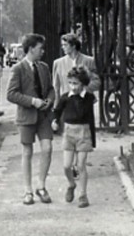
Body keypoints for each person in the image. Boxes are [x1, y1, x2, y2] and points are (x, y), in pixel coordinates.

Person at [6, 33, 55, 205]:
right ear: (31, 48)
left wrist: (49, 100)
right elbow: (11, 94)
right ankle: (27, 191)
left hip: (43, 116)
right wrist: (32, 101)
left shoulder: (44, 67)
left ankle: (41, 186)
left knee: (47, 148)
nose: (43, 51)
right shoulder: (18, 69)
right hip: (26, 117)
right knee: (27, 152)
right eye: (40, 48)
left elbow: (50, 89)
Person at [51, 32, 100, 176]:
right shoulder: (58, 63)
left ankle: (79, 164)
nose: (63, 48)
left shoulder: (88, 61)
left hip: (84, 103)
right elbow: (56, 87)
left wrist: (84, 88)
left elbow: (97, 81)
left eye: (65, 45)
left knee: (84, 133)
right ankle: (72, 166)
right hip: (67, 104)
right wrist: (56, 108)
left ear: (73, 45)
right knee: (69, 132)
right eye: (62, 45)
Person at [51, 66, 96, 208]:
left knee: (81, 165)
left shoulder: (89, 98)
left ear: (83, 84)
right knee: (66, 166)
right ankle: (71, 184)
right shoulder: (66, 97)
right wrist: (55, 121)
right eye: (70, 83)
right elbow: (57, 111)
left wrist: (92, 140)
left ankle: (83, 195)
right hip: (69, 132)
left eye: (76, 83)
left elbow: (91, 118)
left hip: (84, 132)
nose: (73, 86)